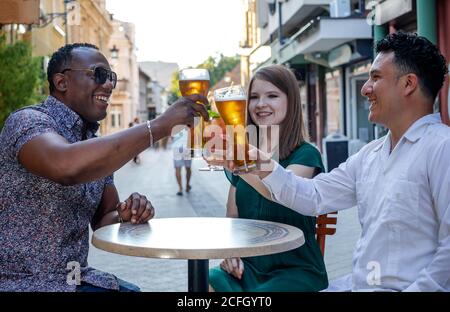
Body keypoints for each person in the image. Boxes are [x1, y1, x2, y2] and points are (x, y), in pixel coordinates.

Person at [221, 32, 450, 291]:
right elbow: (313, 195)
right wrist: (257, 161)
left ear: (408, 84)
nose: (365, 89)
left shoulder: (442, 148)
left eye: (375, 77)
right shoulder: (370, 154)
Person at [0, 43, 208, 292]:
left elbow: (104, 221)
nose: (108, 85)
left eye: (111, 78)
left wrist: (128, 213)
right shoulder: (27, 121)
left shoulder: (94, 146)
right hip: (19, 282)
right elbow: (65, 166)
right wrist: (161, 125)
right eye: (98, 74)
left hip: (74, 279)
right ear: (61, 82)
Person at [207, 65, 328, 292]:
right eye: (254, 97)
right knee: (206, 281)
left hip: (294, 269)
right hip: (250, 265)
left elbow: (280, 193)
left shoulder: (306, 155)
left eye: (272, 95)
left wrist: (240, 166)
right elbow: (233, 215)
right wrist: (230, 251)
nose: (261, 104)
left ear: (291, 102)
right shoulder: (243, 153)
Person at [172, 128, 192, 196]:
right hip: (187, 147)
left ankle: (180, 188)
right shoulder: (189, 122)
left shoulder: (174, 124)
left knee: (178, 169)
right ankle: (187, 185)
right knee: (188, 168)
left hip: (177, 147)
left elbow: (171, 136)